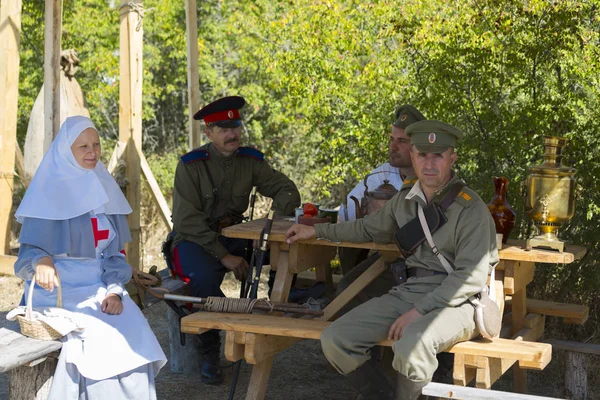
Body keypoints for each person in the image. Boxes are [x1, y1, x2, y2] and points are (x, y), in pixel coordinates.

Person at [286, 120, 499, 400]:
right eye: (423, 155)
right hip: (411, 291)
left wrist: (419, 311)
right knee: (336, 338)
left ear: (452, 159)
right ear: (413, 157)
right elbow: (366, 228)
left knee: (412, 343)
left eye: (438, 156)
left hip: (460, 301)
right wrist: (317, 231)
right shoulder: (406, 200)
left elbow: (469, 279)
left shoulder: (471, 208)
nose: (430, 164)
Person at [14, 116, 166, 400]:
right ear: (65, 152)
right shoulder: (47, 193)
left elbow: (113, 255)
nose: (92, 152)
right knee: (103, 339)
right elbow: (24, 260)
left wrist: (114, 291)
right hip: (59, 293)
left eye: (96, 144)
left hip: (99, 288)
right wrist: (41, 262)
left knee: (134, 331)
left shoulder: (103, 191)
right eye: (82, 146)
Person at [169, 95, 301, 384]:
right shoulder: (191, 166)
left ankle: (284, 306)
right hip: (195, 240)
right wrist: (224, 256)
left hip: (235, 236)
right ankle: (210, 350)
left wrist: (269, 229)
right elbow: (186, 221)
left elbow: (286, 190)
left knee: (288, 248)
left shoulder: (250, 161)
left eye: (236, 126)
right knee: (201, 279)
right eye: (223, 128)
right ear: (209, 133)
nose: (233, 134)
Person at [338, 104, 425, 276]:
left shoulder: (433, 176)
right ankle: (349, 286)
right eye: (392, 139)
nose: (393, 147)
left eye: (401, 141)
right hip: (384, 256)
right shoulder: (382, 173)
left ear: (417, 146)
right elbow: (347, 210)